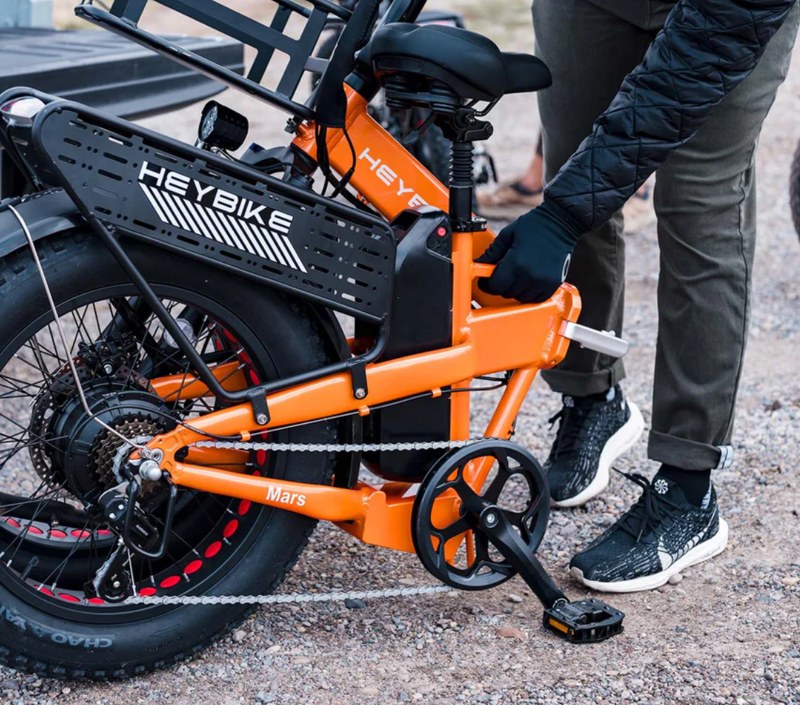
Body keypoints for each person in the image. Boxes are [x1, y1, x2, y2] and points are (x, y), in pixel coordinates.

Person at [478, 0, 800, 592]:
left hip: (728, 16)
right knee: (575, 164)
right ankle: (591, 398)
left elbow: (708, 48)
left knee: (700, 212)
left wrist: (562, 215)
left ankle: (687, 487)